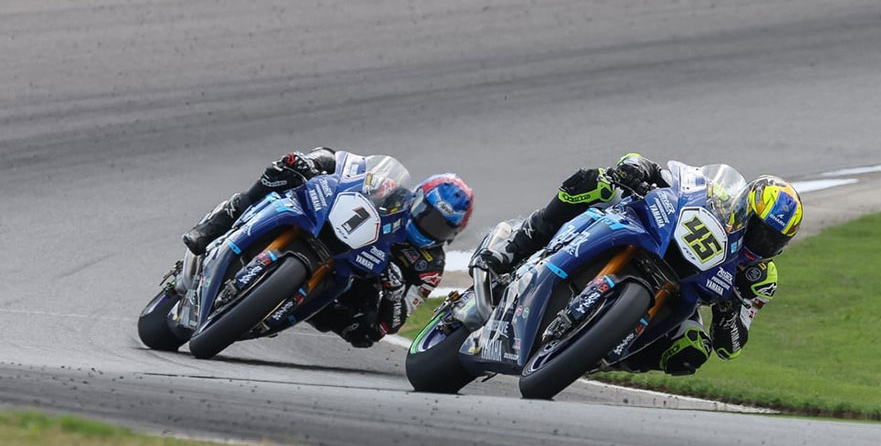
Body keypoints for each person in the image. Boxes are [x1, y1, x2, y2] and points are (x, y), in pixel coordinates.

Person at [479, 153, 802, 377]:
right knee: (595, 183)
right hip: (651, 231)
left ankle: (591, 354)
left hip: (684, 291)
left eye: (775, 241)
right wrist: (635, 167)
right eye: (761, 232)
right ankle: (514, 245)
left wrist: (729, 312)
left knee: (691, 350)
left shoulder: (759, 277)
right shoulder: (718, 196)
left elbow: (731, 348)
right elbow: (663, 172)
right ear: (746, 209)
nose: (764, 245)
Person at [183, 148, 473, 348]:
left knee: (364, 333)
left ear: (453, 234)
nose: (428, 226)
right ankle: (216, 226)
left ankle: (275, 309)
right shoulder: (391, 191)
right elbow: (347, 165)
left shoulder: (429, 265)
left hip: (351, 278)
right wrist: (314, 162)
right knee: (285, 169)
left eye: (441, 226)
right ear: (417, 199)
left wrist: (394, 295)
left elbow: (396, 320)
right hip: (327, 224)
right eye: (426, 213)